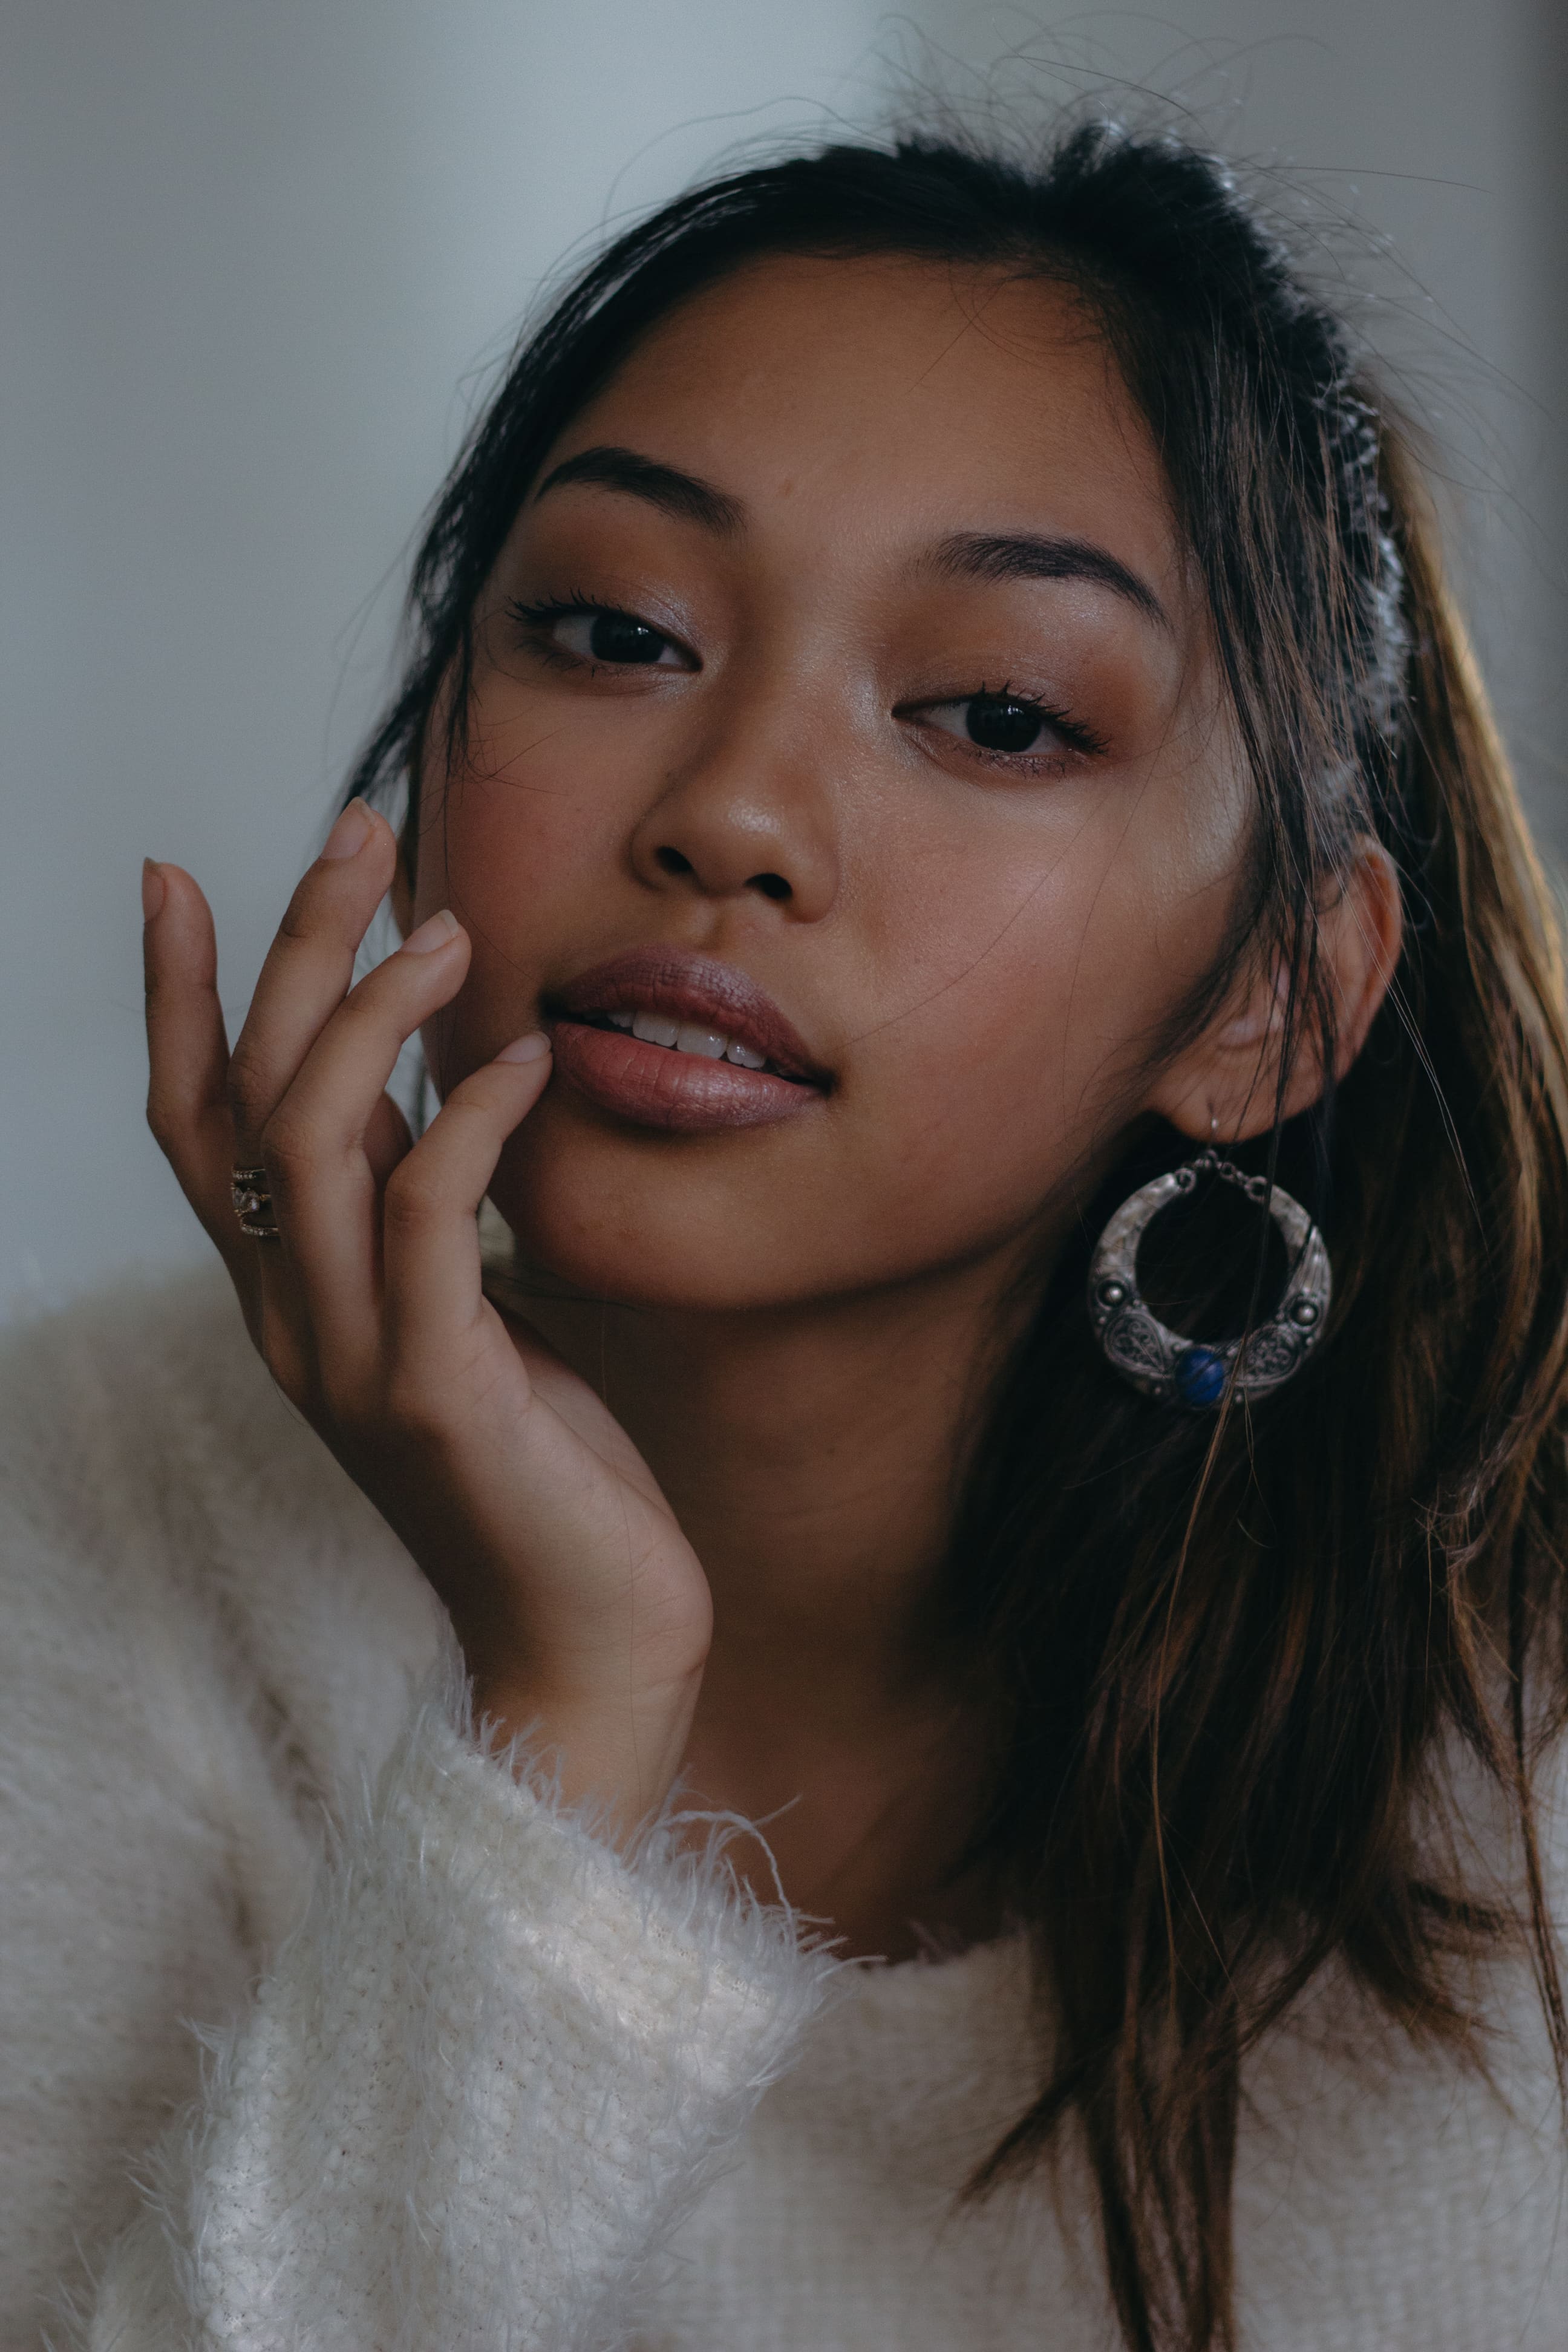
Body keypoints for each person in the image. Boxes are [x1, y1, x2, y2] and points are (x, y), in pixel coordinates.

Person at [3, 120, 1564, 2352]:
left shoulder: (1521, 1748)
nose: (728, 812)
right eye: (613, 632)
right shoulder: (67, 1530)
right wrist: (565, 1723)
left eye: (997, 714)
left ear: (1269, 998)